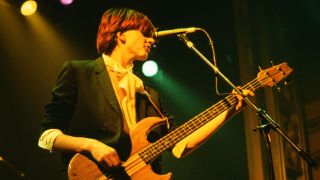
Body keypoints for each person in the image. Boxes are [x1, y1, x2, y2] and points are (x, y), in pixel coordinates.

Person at [38, 7, 253, 179]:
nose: (151, 40)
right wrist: (91, 145)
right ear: (120, 35)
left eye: (152, 35)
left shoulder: (148, 93)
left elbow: (181, 145)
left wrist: (230, 110)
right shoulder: (79, 72)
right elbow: (46, 137)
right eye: (144, 33)